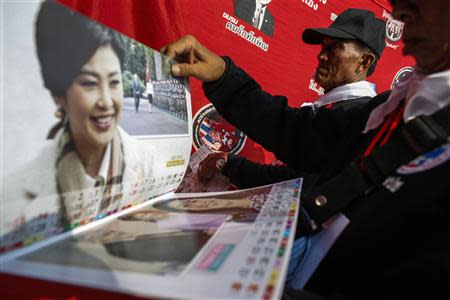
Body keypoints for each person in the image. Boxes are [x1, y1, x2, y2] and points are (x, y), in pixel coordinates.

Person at [162, 0, 450, 297]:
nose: (402, 14)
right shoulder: (394, 103)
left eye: (421, 2)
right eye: (399, 3)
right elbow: (301, 136)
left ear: (364, 63)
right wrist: (223, 76)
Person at [197, 8, 386, 191]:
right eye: (323, 46)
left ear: (364, 61)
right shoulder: (333, 107)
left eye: (333, 48)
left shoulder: (353, 118)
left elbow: (297, 184)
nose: (321, 56)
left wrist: (229, 165)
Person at [4, 1, 154, 228]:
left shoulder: (148, 162)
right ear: (59, 94)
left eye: (114, 82)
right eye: (89, 83)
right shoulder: (12, 196)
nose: (106, 102)